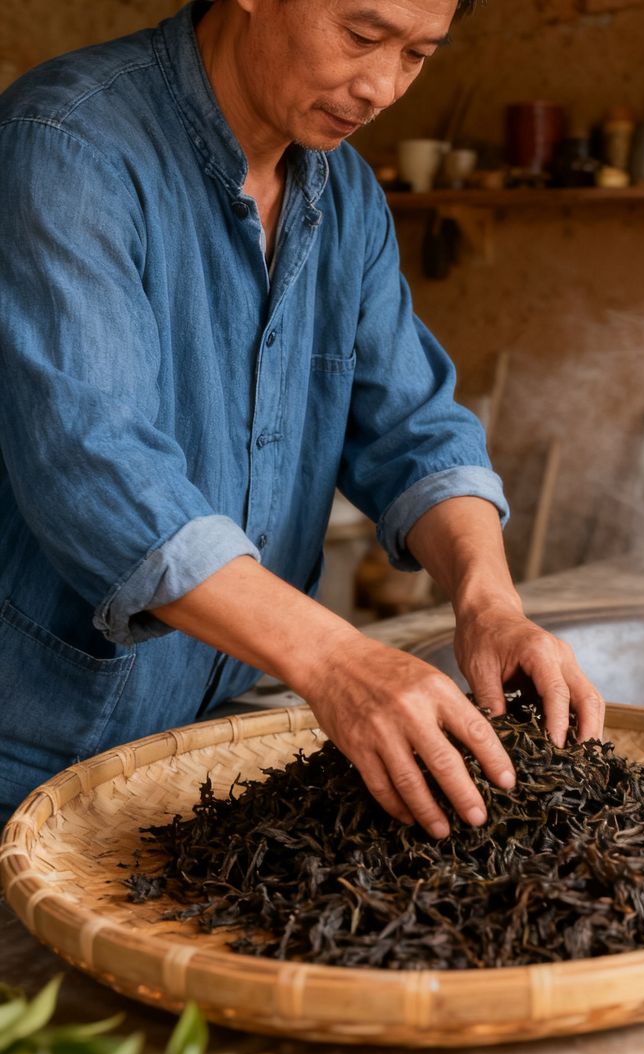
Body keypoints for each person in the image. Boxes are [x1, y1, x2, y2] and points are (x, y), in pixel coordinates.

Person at [0, 0, 604, 830]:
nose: (382, 87)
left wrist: (488, 603)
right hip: (28, 754)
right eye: (360, 37)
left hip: (205, 748)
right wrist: (338, 660)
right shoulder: (68, 146)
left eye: (418, 55)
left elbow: (414, 431)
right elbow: (95, 465)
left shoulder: (345, 196)